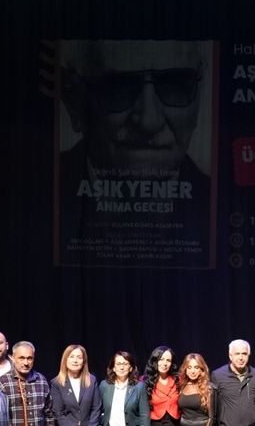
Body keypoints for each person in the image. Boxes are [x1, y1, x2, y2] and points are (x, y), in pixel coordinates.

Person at [57, 40, 213, 267]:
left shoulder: (219, 207)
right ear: (74, 102)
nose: (150, 121)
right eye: (118, 88)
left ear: (201, 93)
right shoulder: (35, 200)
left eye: (175, 85)